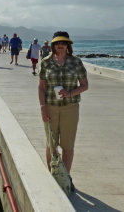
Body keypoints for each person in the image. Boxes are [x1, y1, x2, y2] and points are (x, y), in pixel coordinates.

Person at [38, 31, 89, 192]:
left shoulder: (76, 62)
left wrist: (70, 93)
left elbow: (85, 85)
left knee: (68, 145)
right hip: (51, 107)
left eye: (64, 43)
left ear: (68, 45)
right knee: (51, 144)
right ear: (53, 45)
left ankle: (66, 177)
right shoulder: (46, 62)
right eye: (58, 43)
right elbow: (41, 87)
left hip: (70, 108)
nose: (61, 45)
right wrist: (43, 107)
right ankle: (53, 176)